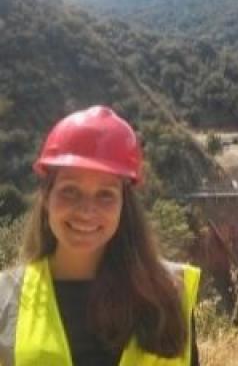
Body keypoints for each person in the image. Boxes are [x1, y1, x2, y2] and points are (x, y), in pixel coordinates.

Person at [0, 105, 201, 366]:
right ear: (47, 198)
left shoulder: (169, 293)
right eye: (70, 191)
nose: (86, 211)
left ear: (123, 206)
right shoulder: (6, 298)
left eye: (105, 195)